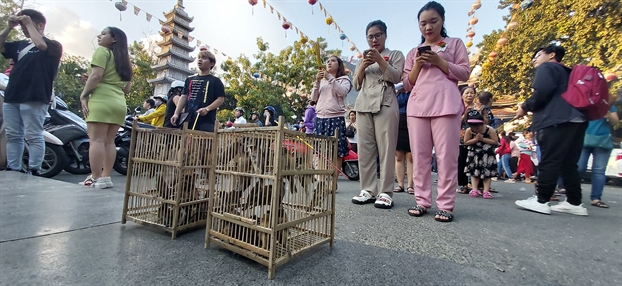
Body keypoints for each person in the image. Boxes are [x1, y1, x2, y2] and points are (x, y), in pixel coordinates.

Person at [403, 1, 470, 222]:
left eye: (433, 21)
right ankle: (422, 201)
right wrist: (418, 65)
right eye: (423, 23)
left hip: (446, 106)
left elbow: (465, 73)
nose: (428, 27)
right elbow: (407, 83)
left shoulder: (454, 43)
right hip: (417, 107)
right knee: (420, 158)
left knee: (446, 157)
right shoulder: (414, 51)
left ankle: (446, 205)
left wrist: (440, 62)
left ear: (442, 21)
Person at [514, 44, 589, 216]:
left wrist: (525, 107)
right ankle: (574, 202)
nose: (534, 59)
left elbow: (542, 91)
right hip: (577, 120)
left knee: (550, 159)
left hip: (555, 120)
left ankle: (541, 200)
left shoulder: (548, 67)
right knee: (568, 163)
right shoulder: (569, 73)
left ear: (551, 55)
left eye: (538, 54)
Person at [350, 20, 405, 209]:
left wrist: (380, 60)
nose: (374, 40)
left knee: (387, 148)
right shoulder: (360, 59)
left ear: (385, 35)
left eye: (378, 35)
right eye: (370, 36)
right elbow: (356, 85)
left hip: (386, 103)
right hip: (363, 104)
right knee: (365, 150)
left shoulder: (395, 54)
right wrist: (363, 66)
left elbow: (397, 77)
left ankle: (386, 192)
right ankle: (367, 190)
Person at [1, 9, 62, 175]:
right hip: (13, 95)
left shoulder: (53, 46)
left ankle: (34, 169)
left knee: (33, 135)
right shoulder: (20, 45)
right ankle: (13, 168)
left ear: (40, 25)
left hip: (35, 95)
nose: (24, 30)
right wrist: (8, 28)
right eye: (22, 27)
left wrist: (29, 23)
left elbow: (40, 45)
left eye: (26, 26)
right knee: (13, 135)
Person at [79, 27, 132, 188]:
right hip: (118, 102)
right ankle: (105, 177)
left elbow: (96, 75)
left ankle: (94, 177)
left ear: (114, 39)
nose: (99, 36)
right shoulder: (124, 61)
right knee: (109, 142)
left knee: (96, 140)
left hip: (101, 100)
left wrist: (84, 95)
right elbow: (127, 89)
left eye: (103, 34)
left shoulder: (102, 51)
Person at [311, 55, 352, 178]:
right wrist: (317, 82)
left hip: (336, 118)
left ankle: (333, 182)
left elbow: (342, 91)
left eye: (333, 61)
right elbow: (313, 98)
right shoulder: (322, 82)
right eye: (327, 61)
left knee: (337, 152)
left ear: (339, 65)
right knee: (321, 151)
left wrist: (329, 77)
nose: (329, 63)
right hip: (320, 118)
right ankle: (322, 179)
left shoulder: (344, 80)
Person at [171, 50, 225, 132]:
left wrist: (207, 109)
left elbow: (220, 99)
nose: (200, 60)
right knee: (186, 143)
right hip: (188, 118)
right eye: (199, 58)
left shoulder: (215, 81)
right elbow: (183, 97)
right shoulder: (189, 80)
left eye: (204, 58)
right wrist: (176, 113)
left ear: (212, 63)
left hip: (206, 121)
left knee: (203, 142)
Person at [577, 103, 619, 208]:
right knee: (579, 168)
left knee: (599, 171)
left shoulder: (607, 104)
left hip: (602, 140)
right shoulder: (584, 101)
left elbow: (616, 122)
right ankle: (573, 194)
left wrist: (609, 115)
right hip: (583, 137)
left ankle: (596, 198)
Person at [463, 110, 498, 199]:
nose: (476, 127)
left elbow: (495, 141)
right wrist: (475, 139)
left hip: (487, 154)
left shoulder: (490, 129)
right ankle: (474, 189)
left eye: (478, 125)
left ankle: (486, 191)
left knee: (487, 174)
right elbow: (466, 142)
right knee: (474, 173)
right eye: (473, 125)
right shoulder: (469, 130)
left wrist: (483, 139)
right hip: (474, 154)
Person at [394, 82, 414, 194]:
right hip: (398, 122)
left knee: (410, 156)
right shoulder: (397, 91)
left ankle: (410, 185)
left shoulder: (414, 90)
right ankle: (400, 184)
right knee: (399, 156)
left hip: (412, 122)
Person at [458, 86, 476, 194]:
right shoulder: (457, 107)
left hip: (476, 137)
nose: (469, 95)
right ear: (462, 95)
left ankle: (476, 185)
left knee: (475, 161)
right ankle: (464, 185)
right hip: (461, 138)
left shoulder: (478, 108)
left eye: (472, 93)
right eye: (467, 93)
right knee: (462, 161)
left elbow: (486, 121)